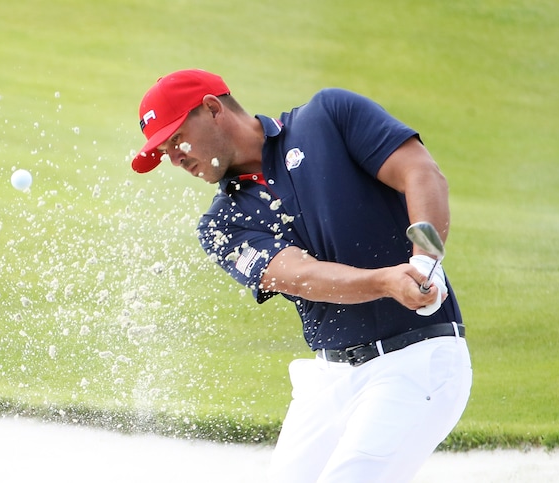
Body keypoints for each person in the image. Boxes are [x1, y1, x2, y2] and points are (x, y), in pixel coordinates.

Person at [129, 69, 472, 483]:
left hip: (416, 361)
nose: (175, 158)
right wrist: (385, 282)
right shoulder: (222, 224)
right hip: (329, 380)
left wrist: (424, 263)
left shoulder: (329, 116)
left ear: (212, 109)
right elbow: (299, 276)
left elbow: (421, 173)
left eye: (176, 138)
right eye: (164, 151)